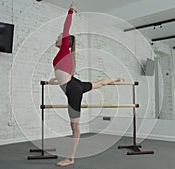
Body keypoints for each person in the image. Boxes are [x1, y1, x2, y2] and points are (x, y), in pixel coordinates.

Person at [49, 2, 124, 167]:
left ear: (65, 42)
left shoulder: (64, 51)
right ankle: (116, 80)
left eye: (59, 37)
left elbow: (66, 26)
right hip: (74, 84)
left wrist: (71, 10)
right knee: (96, 84)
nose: (56, 38)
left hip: (73, 90)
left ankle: (71, 158)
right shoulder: (61, 55)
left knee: (74, 127)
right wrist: (56, 80)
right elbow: (63, 73)